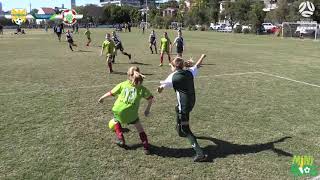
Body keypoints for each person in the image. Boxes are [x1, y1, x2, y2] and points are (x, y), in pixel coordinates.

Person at [157, 54, 208, 162]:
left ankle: (200, 154)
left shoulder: (173, 76)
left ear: (175, 67)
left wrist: (159, 89)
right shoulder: (189, 71)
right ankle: (179, 130)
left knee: (186, 129)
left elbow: (162, 86)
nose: (170, 67)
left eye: (171, 65)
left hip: (184, 106)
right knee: (177, 108)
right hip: (192, 102)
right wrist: (202, 57)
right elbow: (197, 66)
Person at [98, 66, 154, 154]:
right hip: (131, 113)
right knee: (139, 128)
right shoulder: (142, 89)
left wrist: (102, 97)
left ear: (128, 75)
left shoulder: (123, 84)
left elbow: (111, 93)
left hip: (118, 110)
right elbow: (151, 99)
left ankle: (121, 139)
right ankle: (146, 146)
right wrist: (147, 109)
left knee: (116, 120)